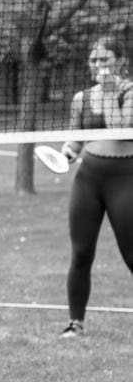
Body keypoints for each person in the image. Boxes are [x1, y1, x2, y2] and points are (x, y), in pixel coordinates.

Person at [58, 37, 133, 338]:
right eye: (94, 60)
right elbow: (77, 140)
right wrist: (64, 154)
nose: (98, 66)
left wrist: (110, 91)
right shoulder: (81, 98)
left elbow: (122, 130)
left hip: (125, 176)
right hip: (89, 176)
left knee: (132, 255)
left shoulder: (129, 91)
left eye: (105, 60)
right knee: (81, 253)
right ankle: (76, 324)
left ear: (121, 62)